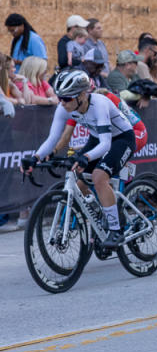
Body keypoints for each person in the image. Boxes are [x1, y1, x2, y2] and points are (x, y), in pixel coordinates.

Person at [22, 70, 137, 248]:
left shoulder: (99, 104)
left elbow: (106, 144)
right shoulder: (64, 107)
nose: (62, 103)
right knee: (79, 184)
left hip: (122, 138)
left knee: (99, 177)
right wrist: (35, 158)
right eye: (60, 98)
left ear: (82, 95)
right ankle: (104, 214)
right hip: (97, 138)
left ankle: (116, 229)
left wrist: (86, 156)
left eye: (67, 99)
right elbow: (52, 139)